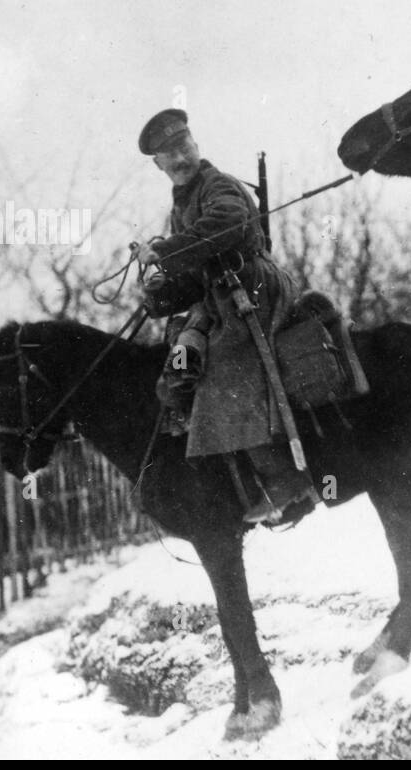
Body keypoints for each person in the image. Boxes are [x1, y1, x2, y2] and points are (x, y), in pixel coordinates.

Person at [135, 108, 316, 524]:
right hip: (220, 297)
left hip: (254, 286)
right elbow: (198, 275)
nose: (179, 159)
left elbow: (228, 223)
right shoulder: (180, 208)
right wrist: (160, 295)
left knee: (224, 369)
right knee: (182, 366)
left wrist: (164, 251)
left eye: (183, 147)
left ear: (195, 144)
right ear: (158, 165)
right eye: (169, 155)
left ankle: (286, 479)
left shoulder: (219, 186)